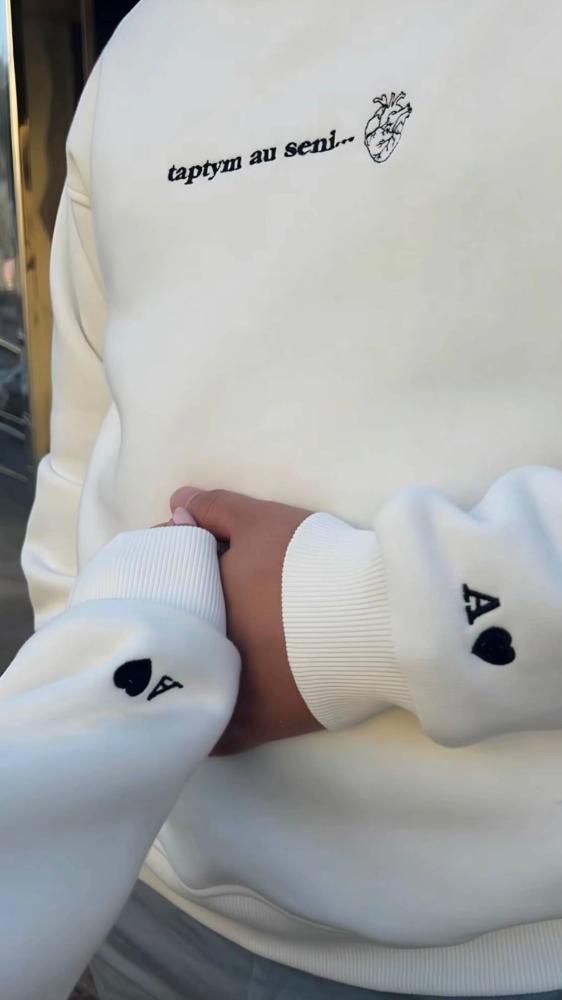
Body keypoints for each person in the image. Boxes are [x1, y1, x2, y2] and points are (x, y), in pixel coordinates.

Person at [4, 0, 562, 997]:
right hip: (145, 906)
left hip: (511, 957)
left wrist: (358, 623)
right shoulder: (144, 48)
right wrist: (78, 784)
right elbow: (86, 458)